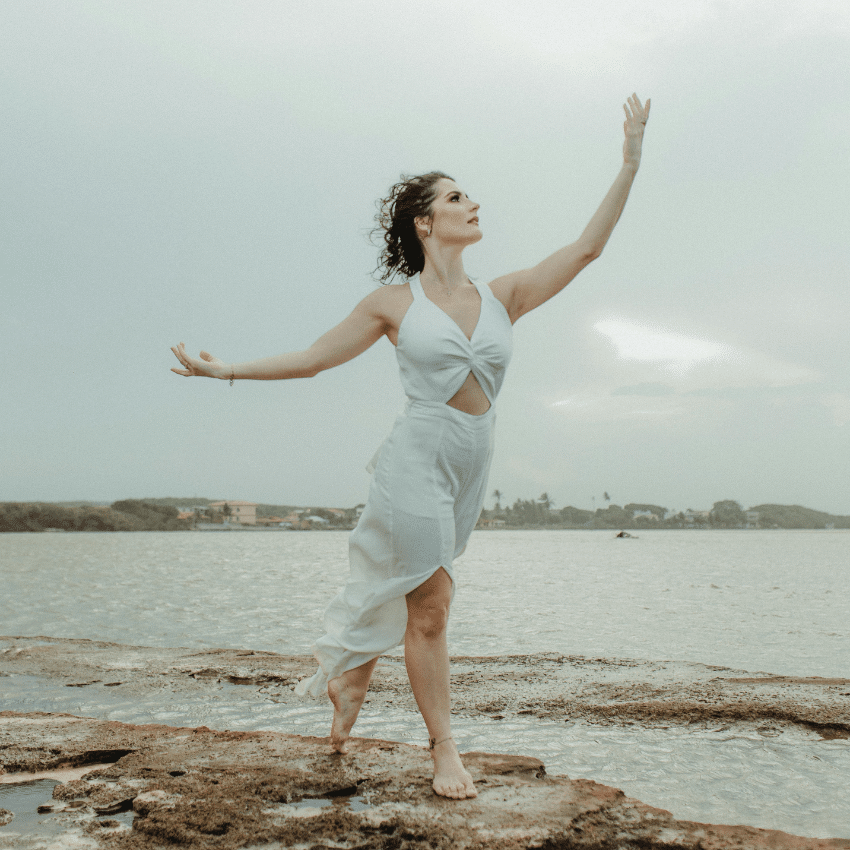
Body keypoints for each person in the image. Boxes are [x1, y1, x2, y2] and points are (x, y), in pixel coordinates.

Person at [171, 93, 650, 800]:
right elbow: (312, 359)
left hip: (469, 464)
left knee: (425, 592)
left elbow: (587, 247)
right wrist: (224, 370)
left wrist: (630, 163)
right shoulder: (392, 304)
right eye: (458, 197)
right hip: (416, 459)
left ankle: (354, 673)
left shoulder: (505, 295)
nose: (474, 204)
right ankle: (444, 750)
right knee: (431, 602)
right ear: (427, 222)